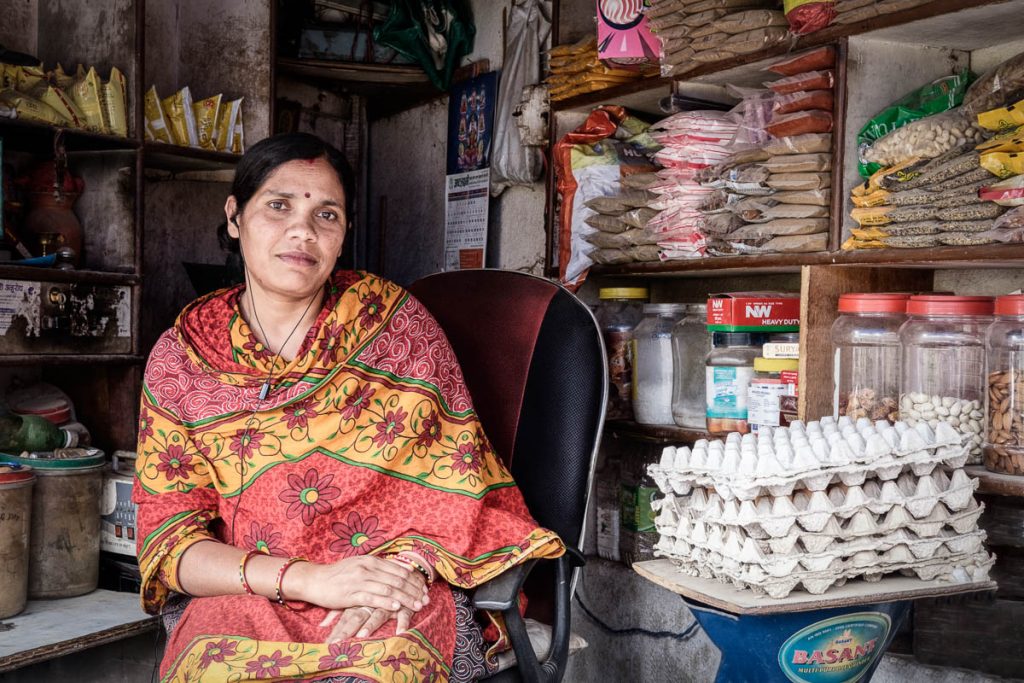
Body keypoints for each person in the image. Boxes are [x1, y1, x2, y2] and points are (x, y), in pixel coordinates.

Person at [133, 132, 564, 682]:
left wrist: (395, 580)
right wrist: (308, 580)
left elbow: (454, 491)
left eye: (327, 214)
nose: (302, 231)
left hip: (386, 591)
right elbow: (171, 544)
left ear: (343, 235)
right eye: (279, 205)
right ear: (235, 216)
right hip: (249, 590)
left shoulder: (393, 330)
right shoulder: (184, 358)